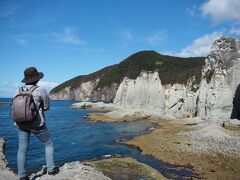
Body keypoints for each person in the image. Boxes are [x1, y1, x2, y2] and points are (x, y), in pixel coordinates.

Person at [15, 67, 58, 180]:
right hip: (36, 123)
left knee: (22, 148)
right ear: (37, 79)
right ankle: (51, 169)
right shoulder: (40, 90)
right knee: (48, 144)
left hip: (21, 123)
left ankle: (22, 176)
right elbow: (47, 106)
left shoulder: (18, 90)